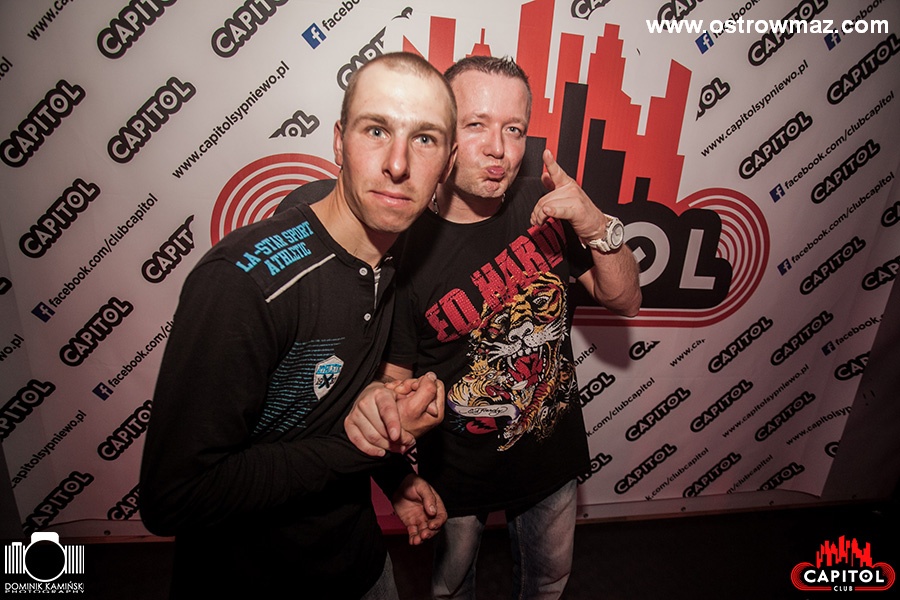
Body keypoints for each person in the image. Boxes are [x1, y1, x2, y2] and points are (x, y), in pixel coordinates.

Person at [138, 52, 457, 599]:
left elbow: (329, 408)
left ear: (446, 165)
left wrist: (394, 477)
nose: (397, 163)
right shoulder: (242, 283)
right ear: (338, 143)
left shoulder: (395, 254)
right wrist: (364, 450)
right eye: (376, 130)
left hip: (360, 566)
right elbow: (175, 496)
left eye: (424, 138)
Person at [345, 56, 642, 599]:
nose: (498, 149)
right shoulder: (405, 248)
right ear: (443, 132)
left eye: (514, 129)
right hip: (455, 478)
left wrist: (596, 224)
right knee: (451, 589)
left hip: (550, 459)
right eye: (476, 124)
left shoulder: (545, 206)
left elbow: (626, 300)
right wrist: (397, 448)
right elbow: (393, 384)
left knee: (549, 582)